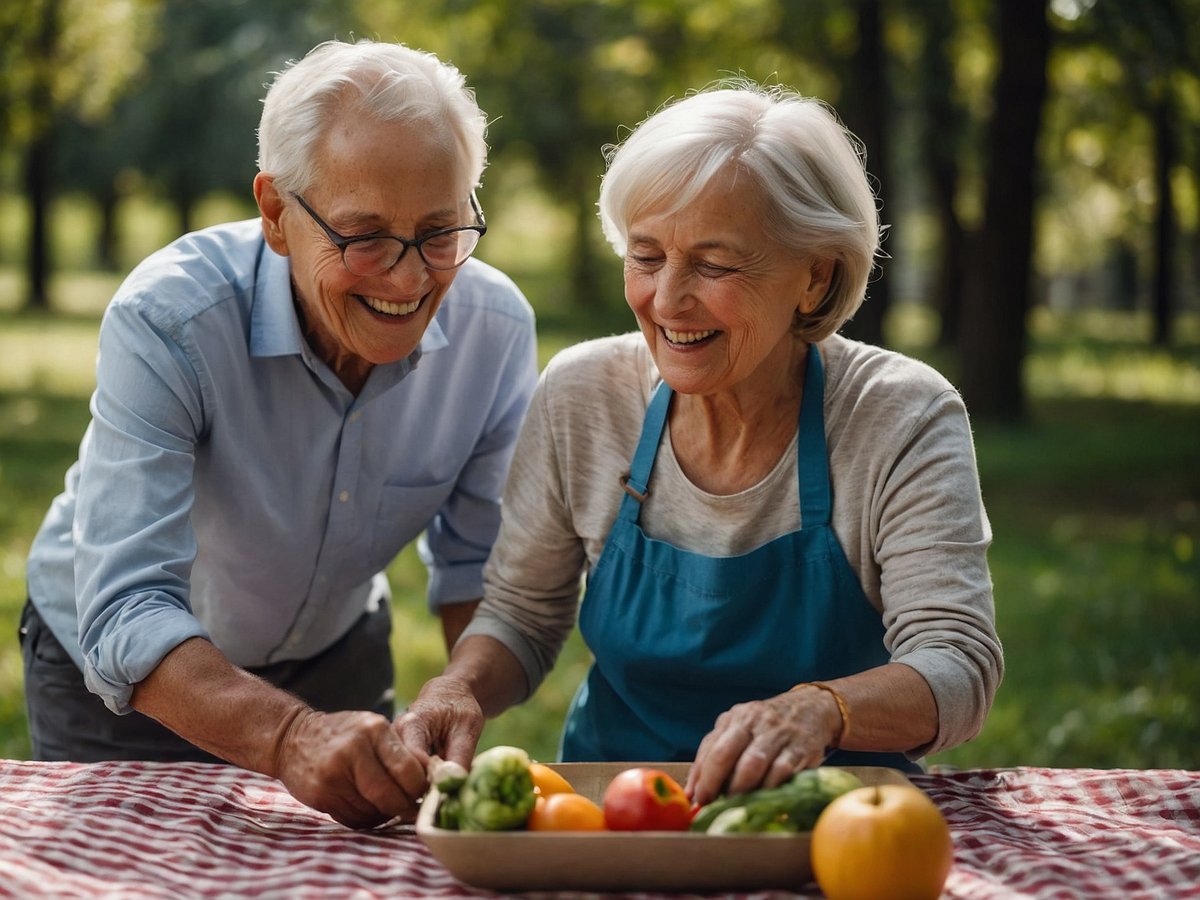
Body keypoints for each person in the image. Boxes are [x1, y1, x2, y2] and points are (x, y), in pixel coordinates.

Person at [397, 79, 1003, 808]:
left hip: (835, 817)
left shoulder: (900, 415)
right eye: (647, 256)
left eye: (714, 265)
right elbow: (521, 616)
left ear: (814, 278)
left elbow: (956, 662)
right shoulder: (583, 395)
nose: (668, 299)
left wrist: (819, 710)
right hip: (619, 808)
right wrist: (457, 688)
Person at [21, 39, 538, 828]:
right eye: (364, 236)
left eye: (440, 233)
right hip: (126, 685)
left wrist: (461, 685)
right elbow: (126, 607)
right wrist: (289, 735)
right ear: (275, 213)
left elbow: (485, 574)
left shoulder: (494, 331)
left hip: (337, 660)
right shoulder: (169, 318)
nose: (408, 280)